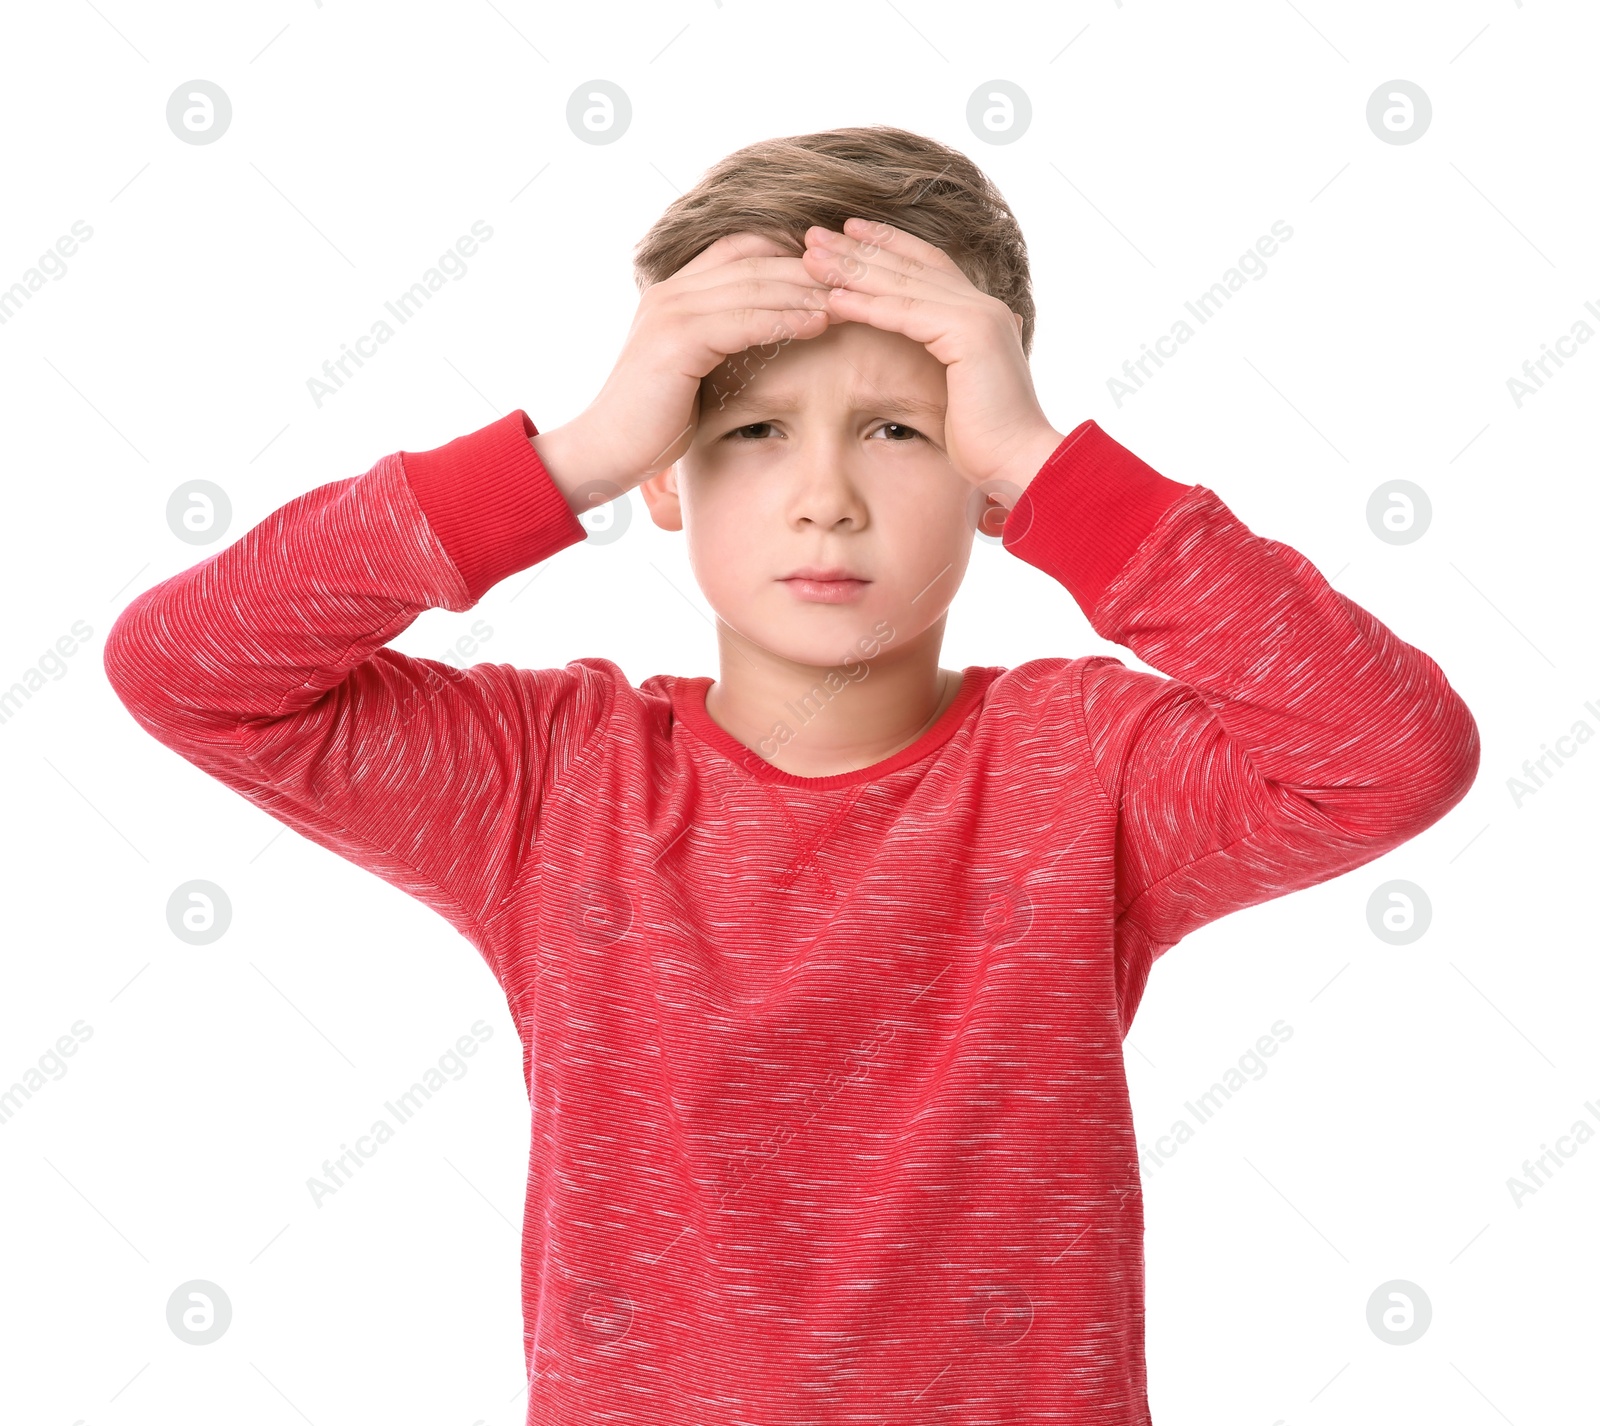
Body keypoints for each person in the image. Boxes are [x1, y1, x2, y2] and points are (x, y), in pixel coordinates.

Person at [103, 125, 1480, 1423]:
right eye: (753, 429)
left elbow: (1394, 753)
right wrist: (569, 454)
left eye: (900, 428)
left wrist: (1054, 464)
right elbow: (186, 666)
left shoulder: (1090, 770)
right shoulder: (547, 784)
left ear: (987, 477)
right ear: (666, 469)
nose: (826, 492)